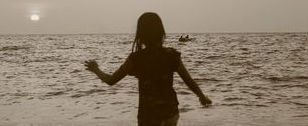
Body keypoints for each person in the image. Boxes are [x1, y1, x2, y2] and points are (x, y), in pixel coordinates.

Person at [84, 12, 212, 126]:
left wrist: (96, 69)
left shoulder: (136, 59)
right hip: (170, 112)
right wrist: (201, 96)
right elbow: (188, 81)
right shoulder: (172, 55)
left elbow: (111, 80)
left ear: (141, 35)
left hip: (148, 115)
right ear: (161, 33)